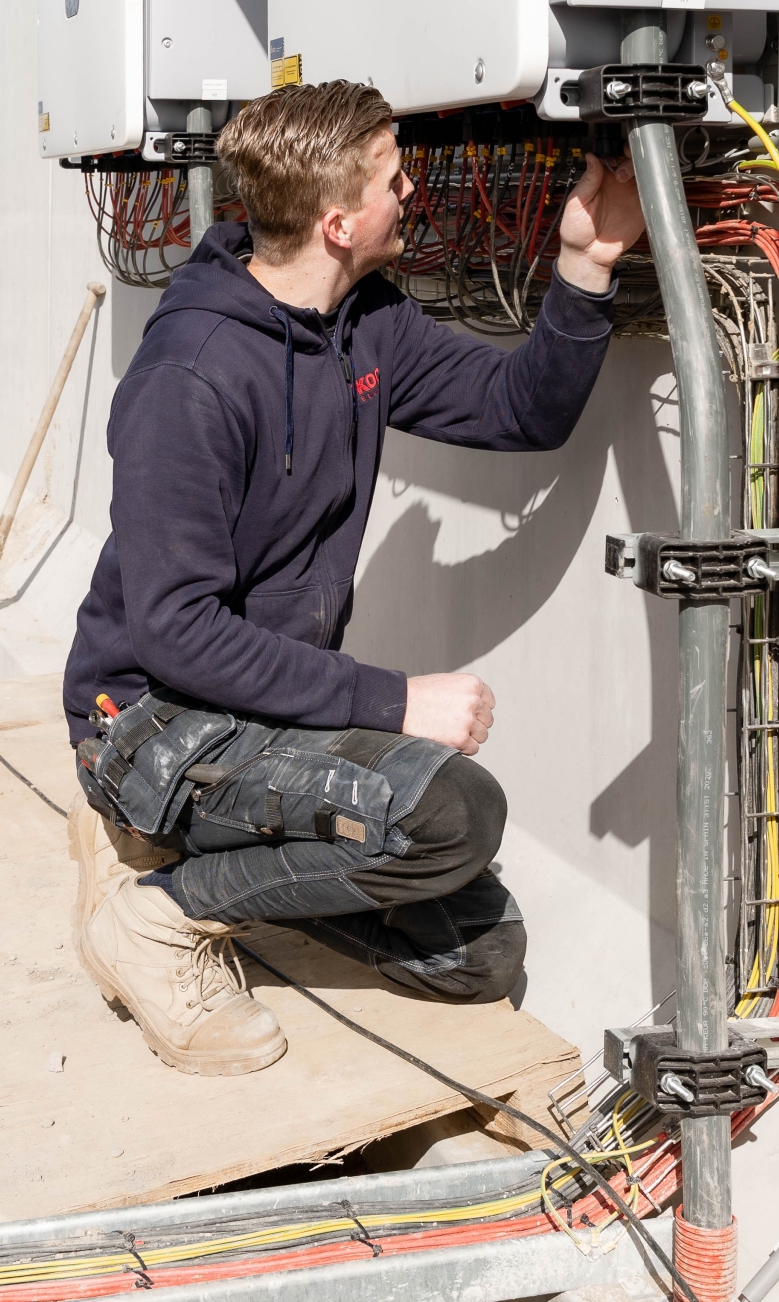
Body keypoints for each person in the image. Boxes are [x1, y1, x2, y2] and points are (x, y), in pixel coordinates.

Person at [63, 79, 644, 1075]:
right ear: (338, 221)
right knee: (453, 811)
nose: (413, 193)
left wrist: (583, 267)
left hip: (262, 710)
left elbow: (519, 413)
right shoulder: (191, 377)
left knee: (475, 956)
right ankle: (155, 915)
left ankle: (202, 859)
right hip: (148, 719)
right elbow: (174, 633)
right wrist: (397, 700)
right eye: (393, 179)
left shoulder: (363, 323)